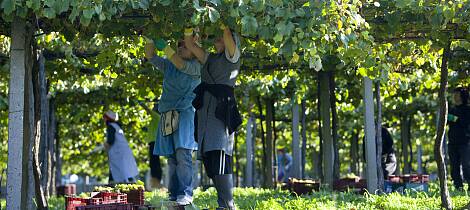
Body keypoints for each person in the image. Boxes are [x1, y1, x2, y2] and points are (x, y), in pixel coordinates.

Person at [185, 23, 242, 210]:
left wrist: (222, 21)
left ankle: (227, 204)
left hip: (221, 110)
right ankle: (224, 203)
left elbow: (227, 36)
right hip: (205, 113)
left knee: (219, 156)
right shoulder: (210, 58)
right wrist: (187, 28)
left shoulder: (233, 57)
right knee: (209, 160)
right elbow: (191, 46)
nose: (217, 39)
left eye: (221, 37)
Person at [144, 34, 201, 208]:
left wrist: (167, 49)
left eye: (185, 45)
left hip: (185, 113)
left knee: (183, 154)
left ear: (194, 49)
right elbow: (150, 56)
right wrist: (150, 37)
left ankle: (185, 193)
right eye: (179, 45)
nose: (180, 47)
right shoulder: (169, 65)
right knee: (171, 157)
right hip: (168, 114)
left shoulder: (197, 66)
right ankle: (174, 194)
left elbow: (181, 64)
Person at [103, 110, 139, 183]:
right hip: (122, 153)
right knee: (126, 170)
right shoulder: (117, 127)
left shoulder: (111, 127)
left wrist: (105, 146)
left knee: (119, 171)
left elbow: (110, 141)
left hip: (118, 153)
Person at [447, 87, 470, 191]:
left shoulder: (467, 109)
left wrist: (455, 119)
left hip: (465, 142)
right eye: (454, 94)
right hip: (452, 142)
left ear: (462, 96)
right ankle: (458, 187)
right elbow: (446, 122)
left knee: (466, 166)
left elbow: (465, 123)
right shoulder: (451, 109)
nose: (455, 96)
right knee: (454, 167)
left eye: (457, 94)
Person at [139, 101, 163, 189]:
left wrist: (140, 102)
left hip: (154, 142)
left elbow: (147, 110)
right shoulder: (157, 119)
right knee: (155, 162)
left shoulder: (156, 116)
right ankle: (156, 181)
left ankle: (156, 181)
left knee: (154, 163)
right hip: (154, 142)